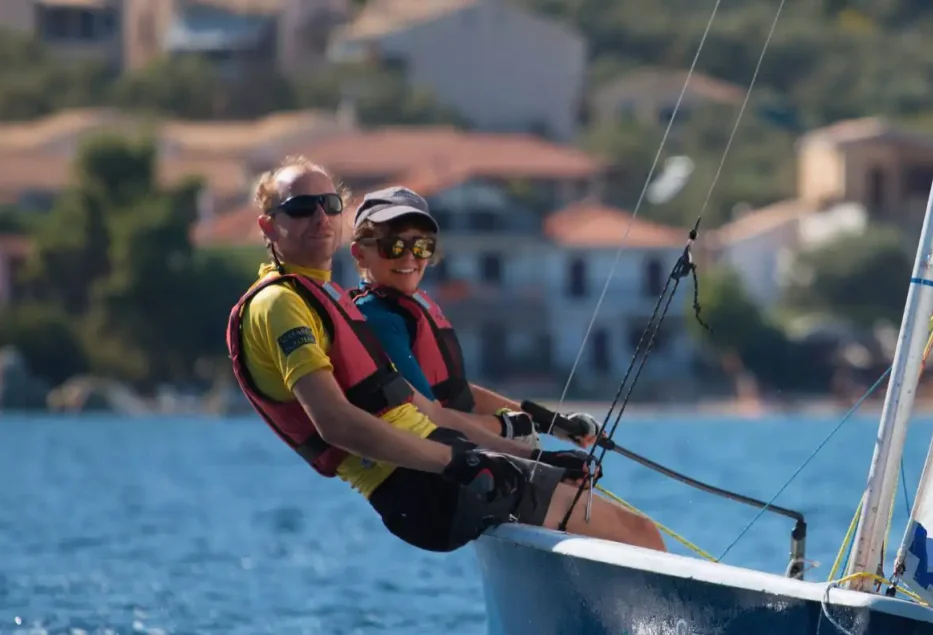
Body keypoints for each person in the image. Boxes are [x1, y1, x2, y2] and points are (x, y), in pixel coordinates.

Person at [224, 155, 666, 554]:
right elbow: (336, 424)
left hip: (440, 472)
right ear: (267, 225)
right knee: (641, 536)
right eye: (302, 207)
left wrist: (527, 455)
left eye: (329, 205)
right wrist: (460, 461)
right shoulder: (280, 304)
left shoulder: (324, 297)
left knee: (612, 526)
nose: (319, 216)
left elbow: (410, 402)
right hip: (420, 486)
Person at [343, 186, 601, 452]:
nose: (410, 257)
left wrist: (552, 423)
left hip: (469, 452)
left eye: (421, 246)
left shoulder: (416, 305)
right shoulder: (376, 317)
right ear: (360, 253)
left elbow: (456, 393)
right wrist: (509, 429)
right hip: (445, 464)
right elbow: (426, 417)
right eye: (393, 246)